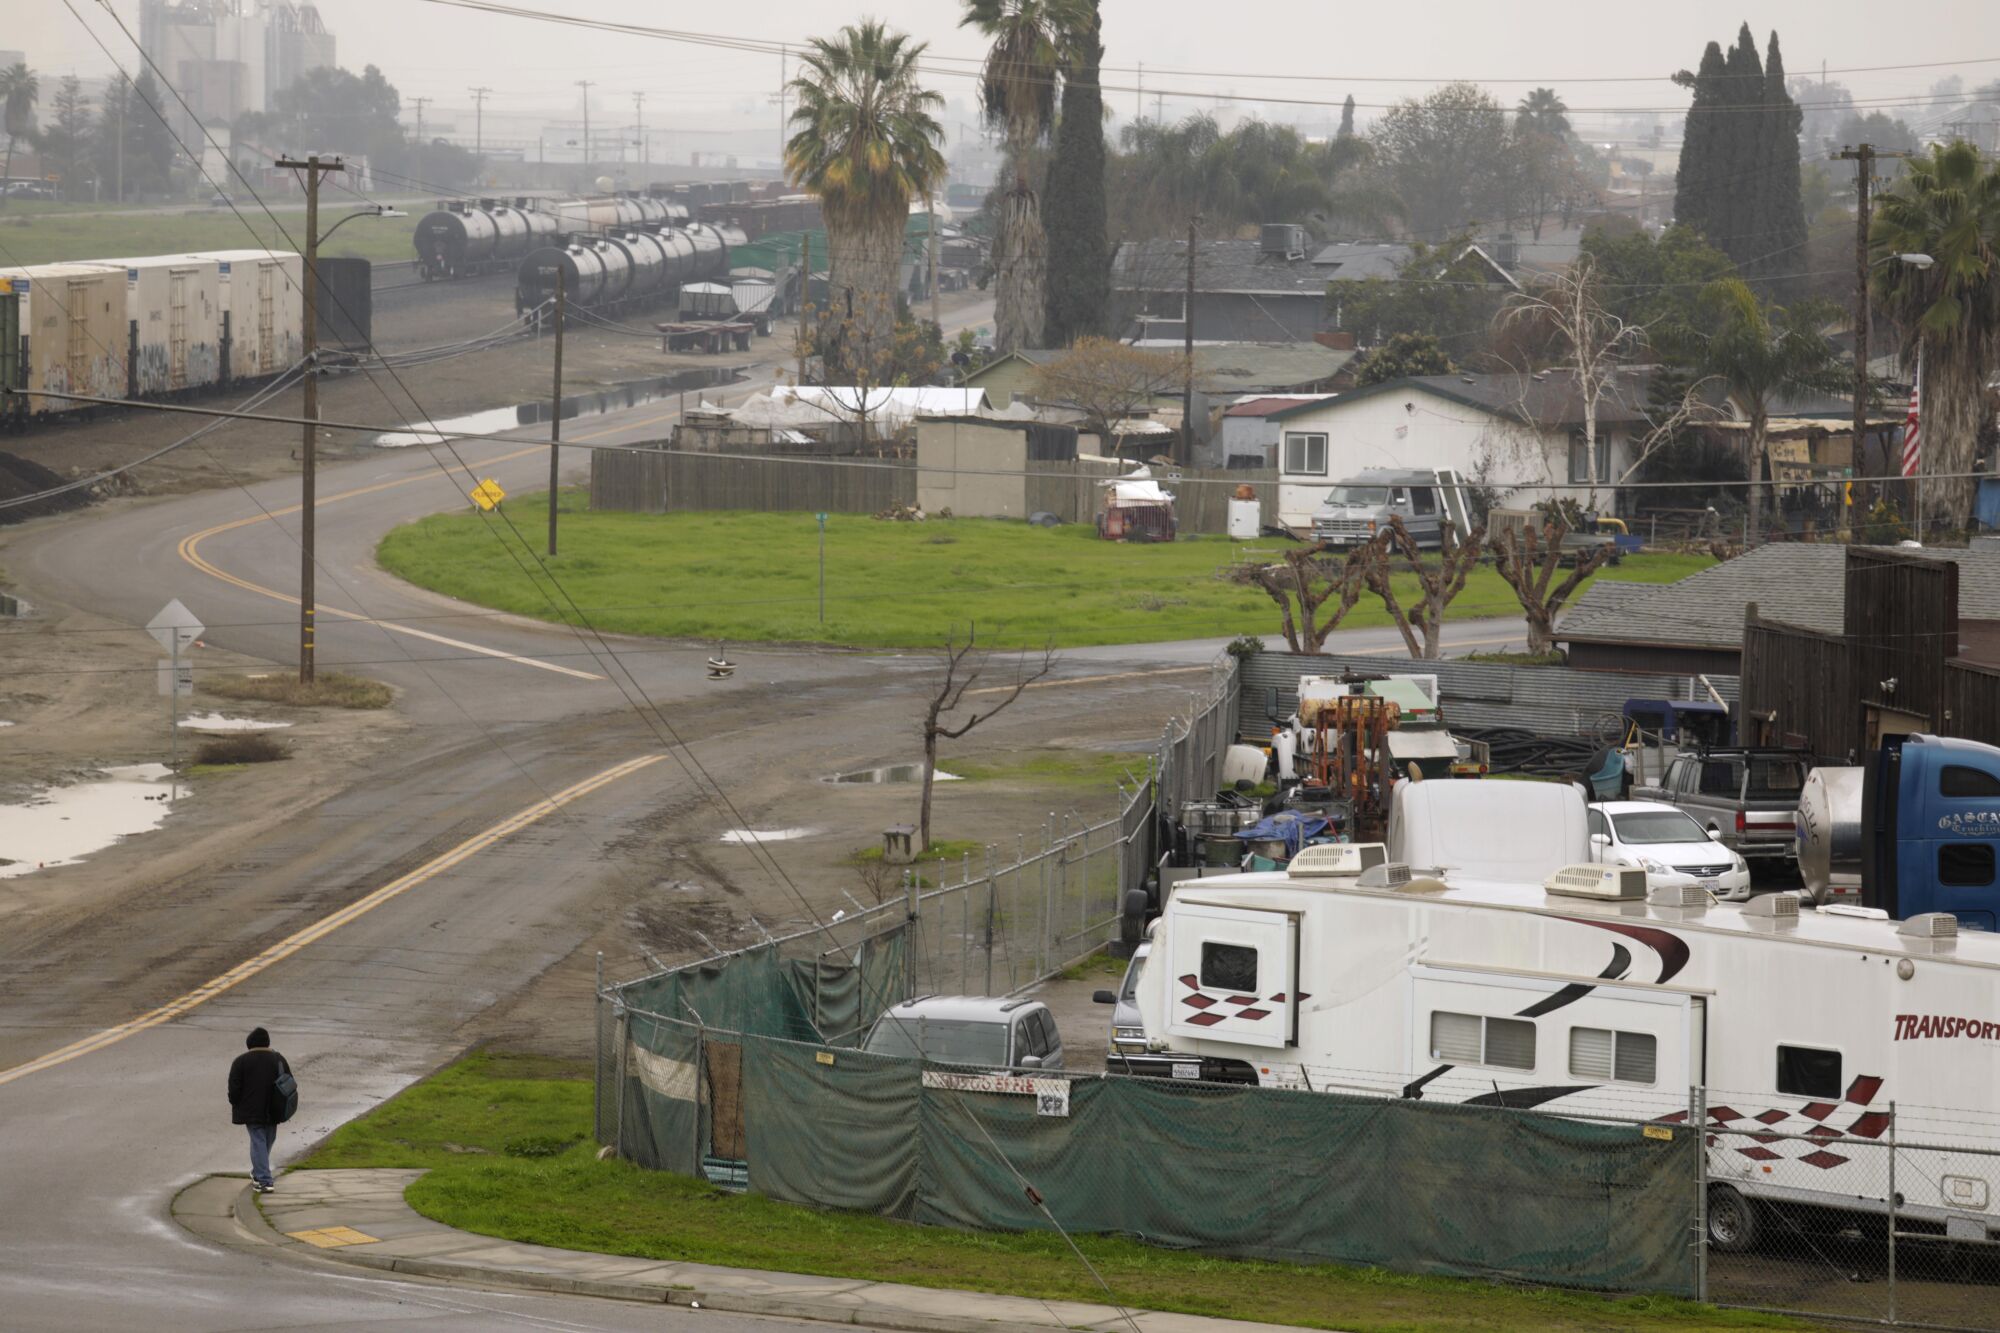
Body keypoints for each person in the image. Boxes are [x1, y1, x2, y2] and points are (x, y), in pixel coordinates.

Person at [228, 1027, 291, 1193]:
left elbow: (234, 1090)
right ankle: (262, 1176)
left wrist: (235, 1103)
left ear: (249, 1044)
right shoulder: (278, 1059)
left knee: (259, 1142)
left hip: (251, 1111)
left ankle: (262, 1179)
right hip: (274, 1110)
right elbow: (289, 1083)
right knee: (266, 1140)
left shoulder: (240, 1061)